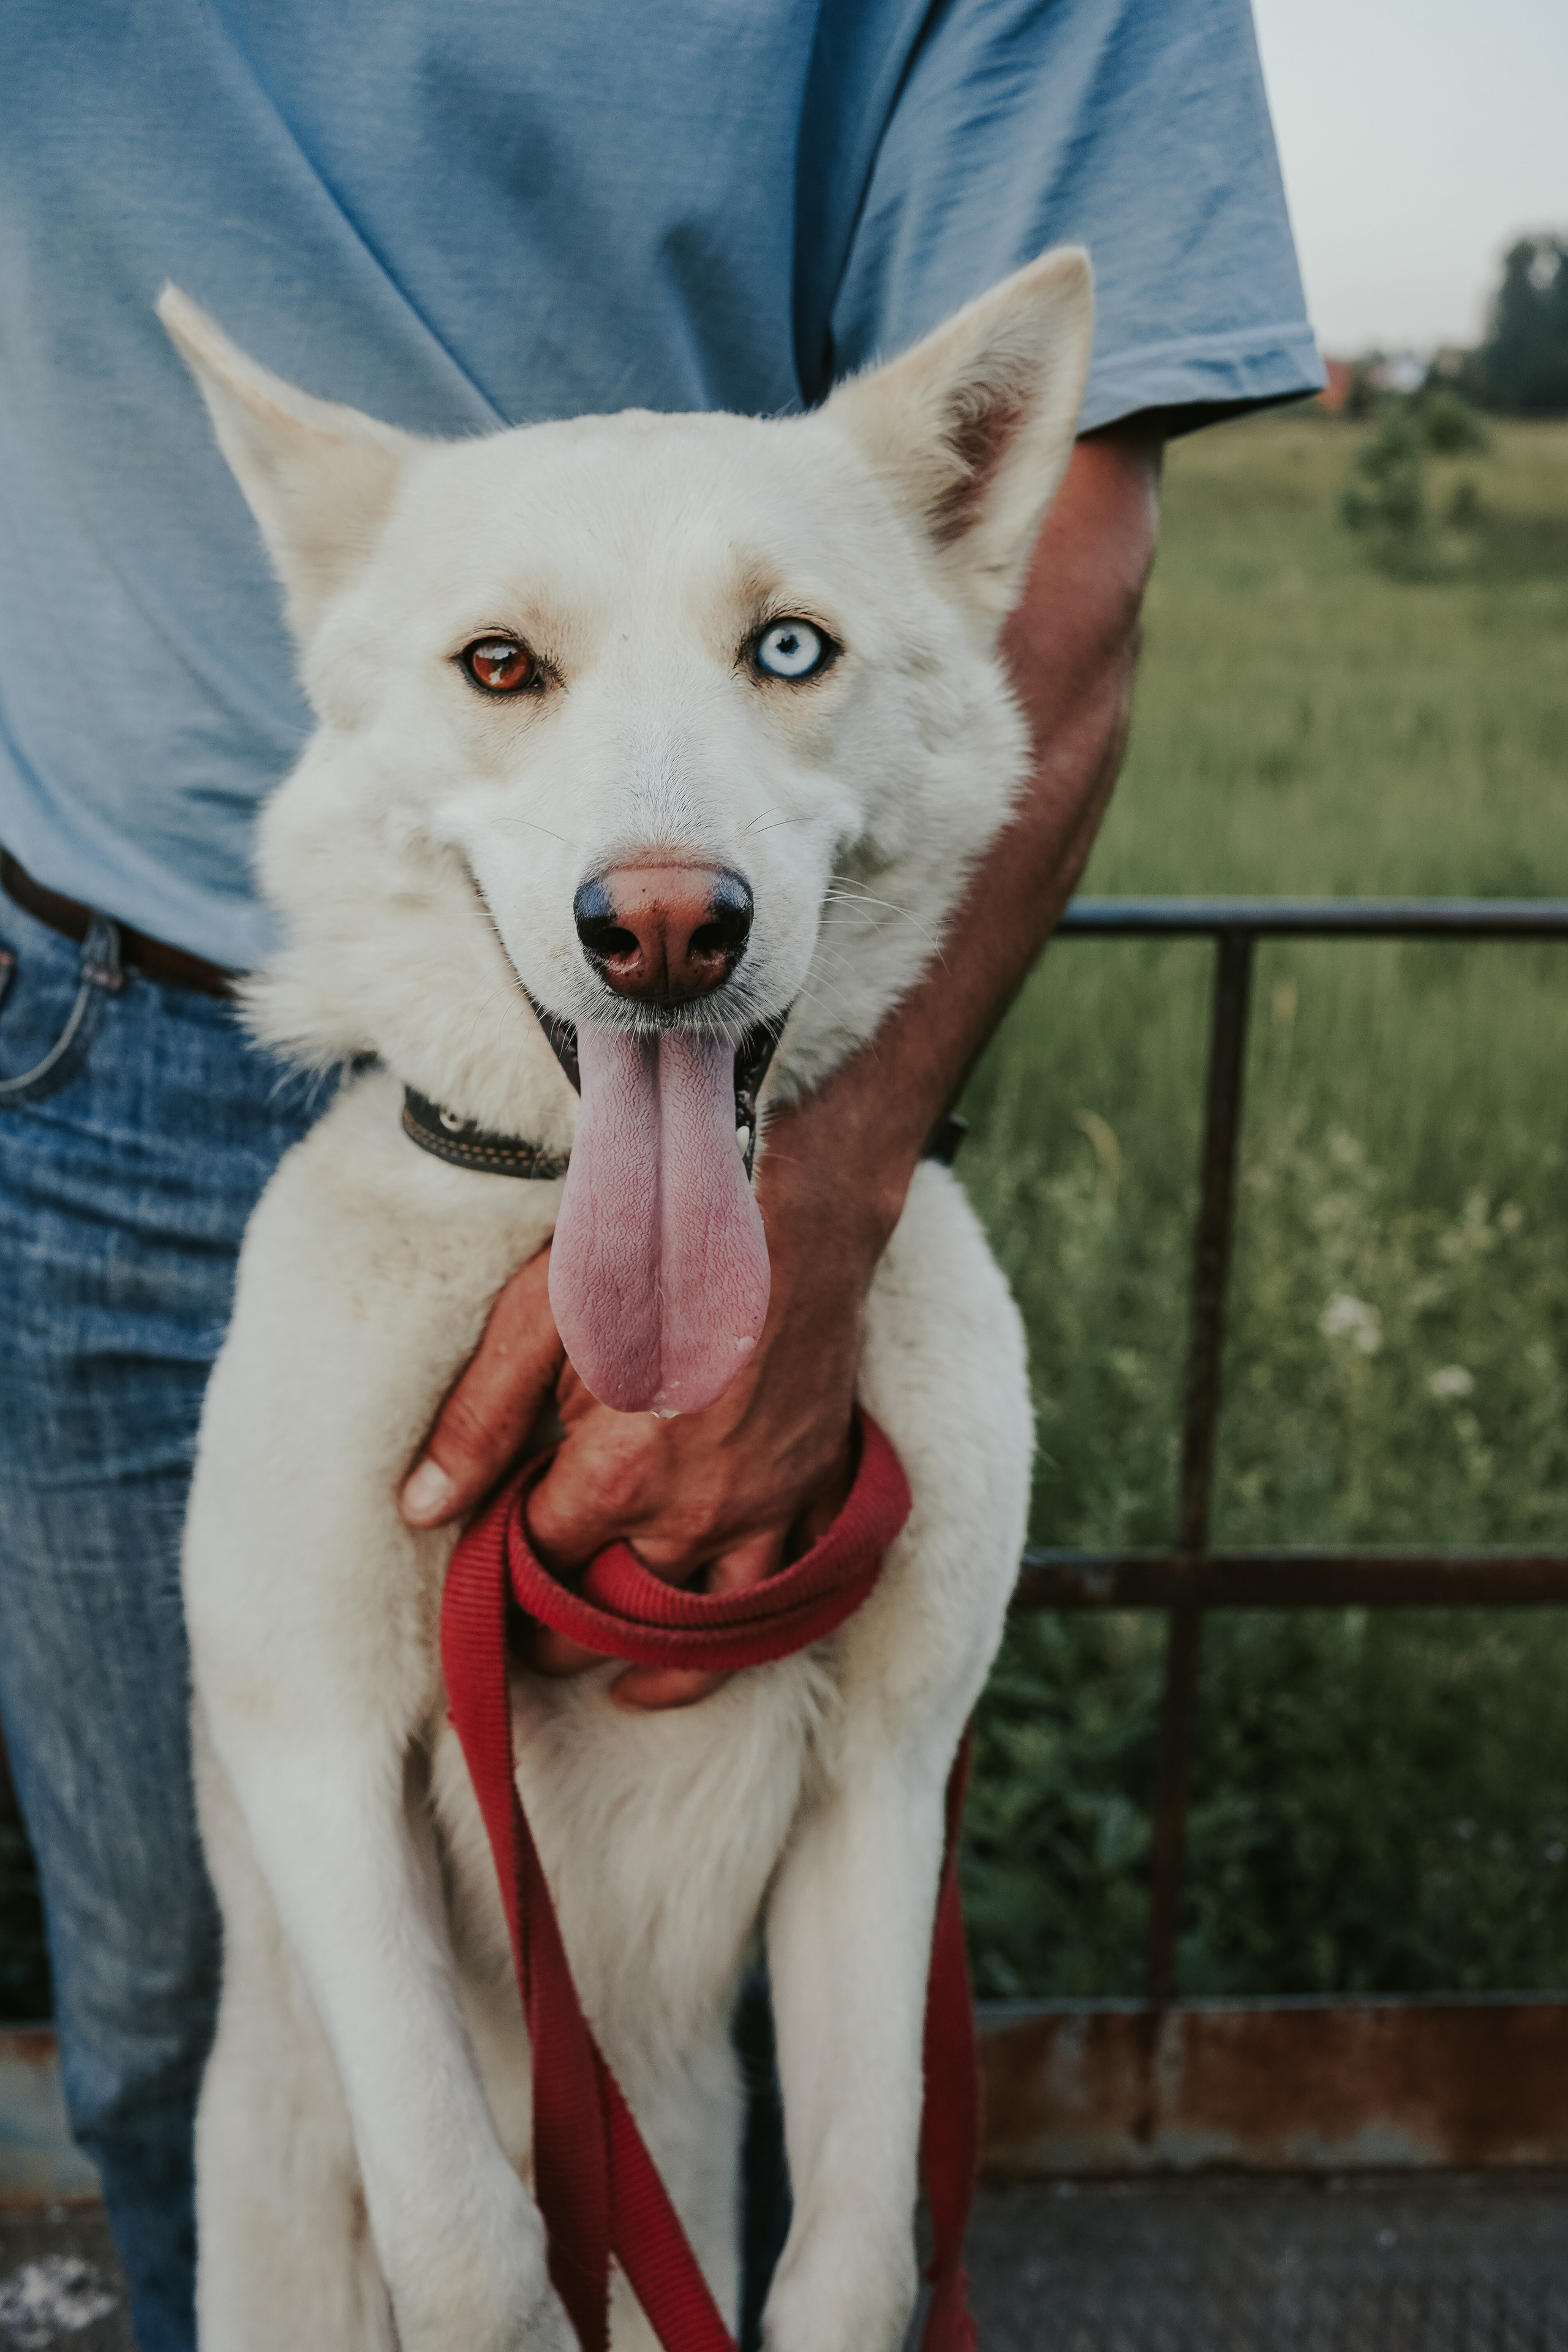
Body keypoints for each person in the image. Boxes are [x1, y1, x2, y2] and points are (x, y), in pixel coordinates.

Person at [0, 3, 1321, 2345]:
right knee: (187, 2027)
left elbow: (1071, 553)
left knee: (681, 2020)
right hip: (102, 1036)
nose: (660, 875)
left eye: (785, 647)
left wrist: (839, 1189)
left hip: (794, 1111)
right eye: (507, 667)